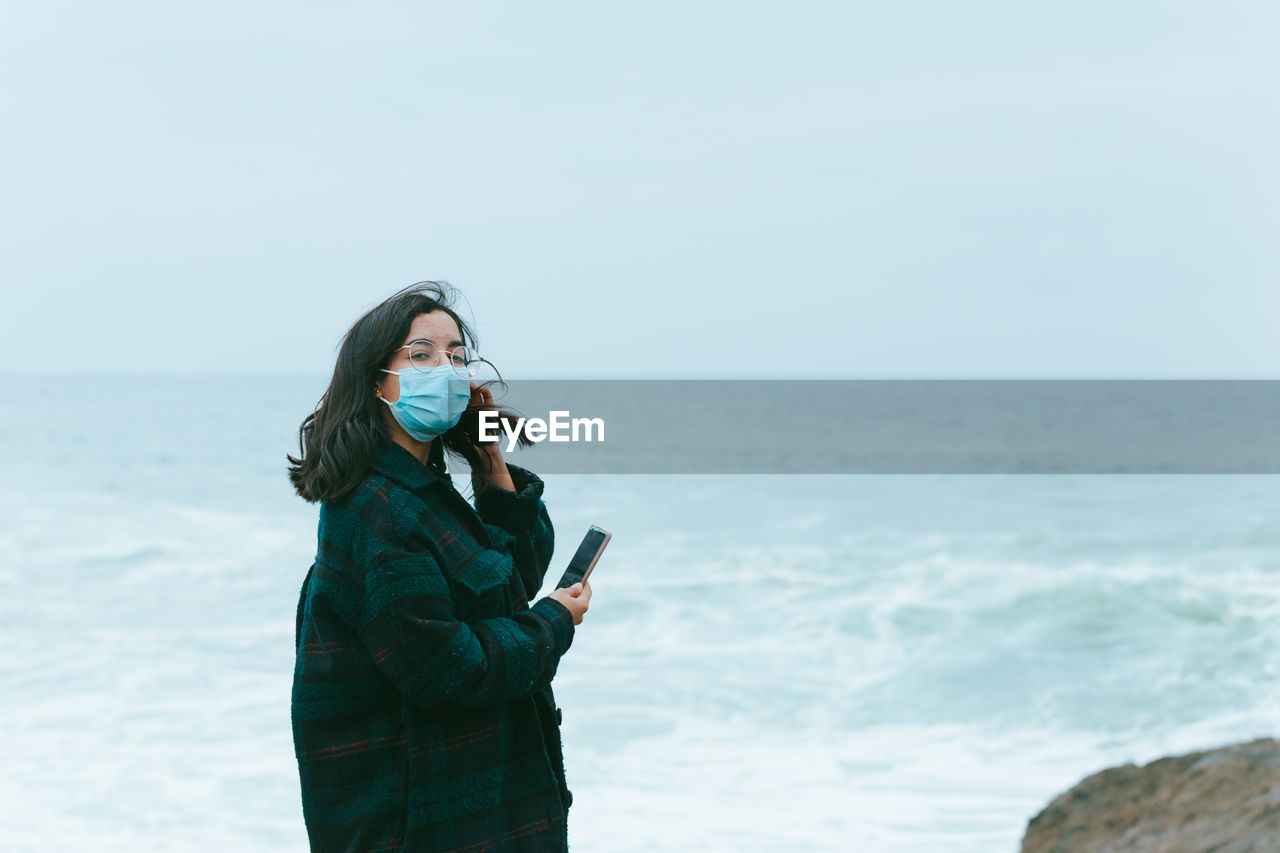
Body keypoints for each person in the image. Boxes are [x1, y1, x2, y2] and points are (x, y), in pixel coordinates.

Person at [287, 280, 592, 852]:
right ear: (375, 379)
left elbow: (506, 583)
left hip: (479, 809)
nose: (447, 370)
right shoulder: (377, 511)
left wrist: (490, 464)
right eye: (421, 355)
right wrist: (553, 621)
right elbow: (452, 671)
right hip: (421, 824)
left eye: (457, 356)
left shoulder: (424, 490)